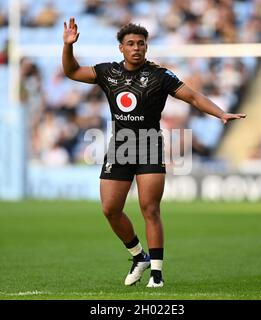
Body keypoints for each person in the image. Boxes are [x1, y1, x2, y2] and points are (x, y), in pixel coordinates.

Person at [62, 18, 246, 288]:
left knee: (150, 209)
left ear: (146, 47)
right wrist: (67, 46)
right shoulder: (107, 73)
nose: (136, 48)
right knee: (110, 209)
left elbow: (193, 97)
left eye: (141, 43)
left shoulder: (160, 76)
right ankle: (139, 256)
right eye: (130, 44)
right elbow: (72, 72)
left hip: (149, 144)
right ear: (121, 48)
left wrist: (220, 113)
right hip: (120, 146)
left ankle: (157, 275)